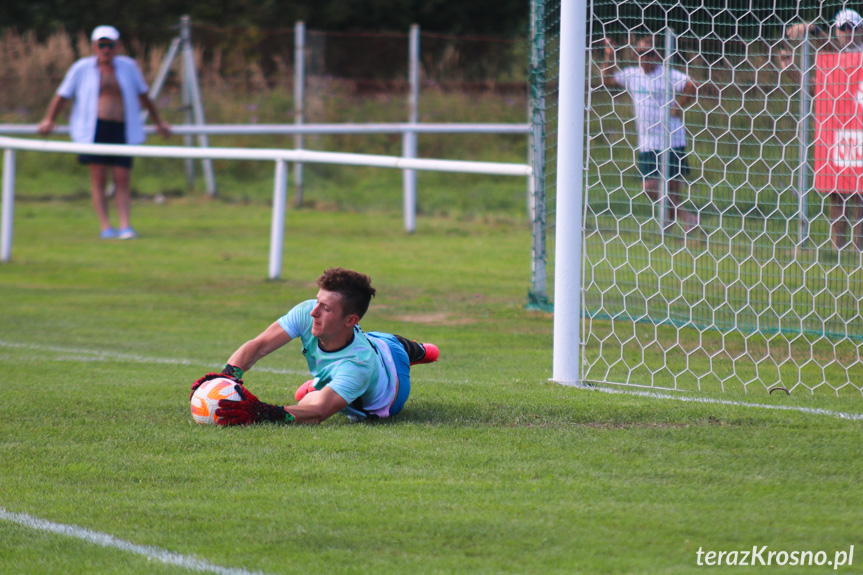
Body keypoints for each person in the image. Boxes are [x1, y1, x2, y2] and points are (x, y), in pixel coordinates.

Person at [190, 267, 440, 426]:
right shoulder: (310, 312)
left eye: (326, 308)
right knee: (304, 397)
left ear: (351, 320)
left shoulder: (358, 366)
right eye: (318, 301)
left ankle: (418, 351)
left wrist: (260, 412)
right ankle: (323, 382)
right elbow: (259, 345)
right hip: (369, 343)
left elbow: (319, 412)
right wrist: (226, 377)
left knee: (421, 351)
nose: (313, 311)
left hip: (392, 378)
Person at [38, 25, 171, 240]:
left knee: (122, 178)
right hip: (94, 130)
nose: (106, 50)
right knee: (98, 178)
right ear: (94, 46)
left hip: (122, 129)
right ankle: (106, 226)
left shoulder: (128, 67)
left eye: (110, 45)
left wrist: (159, 122)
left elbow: (144, 97)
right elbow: (62, 96)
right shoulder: (81, 68)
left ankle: (125, 225)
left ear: (118, 46)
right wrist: (49, 120)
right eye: (102, 45)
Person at [782, 9, 863, 250]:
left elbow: (834, 48)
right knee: (837, 194)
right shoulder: (832, 63)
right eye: (842, 29)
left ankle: (859, 251)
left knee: (859, 195)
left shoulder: (853, 57)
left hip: (859, 131)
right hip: (839, 132)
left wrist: (813, 30)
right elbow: (817, 92)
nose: (846, 34)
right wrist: (791, 72)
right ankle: (837, 251)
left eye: (852, 28)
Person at [601, 35, 698, 231]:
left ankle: (670, 226)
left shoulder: (668, 74)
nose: (645, 57)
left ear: (658, 55)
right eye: (641, 53)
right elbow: (607, 79)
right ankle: (686, 217)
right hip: (647, 141)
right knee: (649, 187)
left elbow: (692, 85)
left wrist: (678, 107)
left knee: (672, 187)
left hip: (672, 138)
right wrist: (609, 55)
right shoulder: (632, 75)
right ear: (636, 56)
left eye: (650, 53)